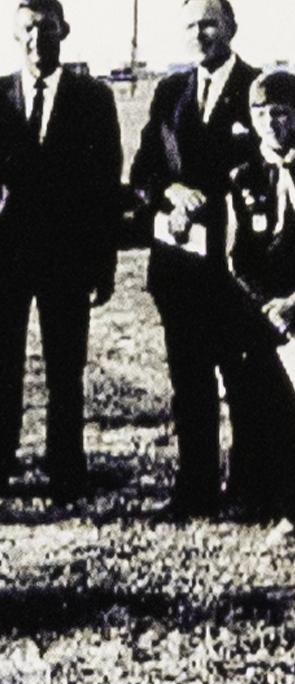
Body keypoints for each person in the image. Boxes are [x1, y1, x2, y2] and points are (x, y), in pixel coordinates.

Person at [0, 0, 123, 505]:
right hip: (5, 262)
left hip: (66, 259)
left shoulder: (94, 99)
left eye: (45, 29)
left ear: (63, 32)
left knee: (64, 374)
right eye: (27, 30)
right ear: (15, 36)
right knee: (0, 371)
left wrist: (103, 264)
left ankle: (67, 477)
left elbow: (104, 189)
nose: (36, 40)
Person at [131, 0, 263, 518]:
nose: (199, 33)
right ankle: (195, 490)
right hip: (178, 268)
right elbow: (143, 171)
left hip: (237, 270)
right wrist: (172, 191)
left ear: (231, 26)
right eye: (190, 25)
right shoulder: (169, 93)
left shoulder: (258, 89)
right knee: (189, 384)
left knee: (244, 381)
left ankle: (251, 488)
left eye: (209, 22)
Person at [225, 70, 295, 541]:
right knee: (275, 409)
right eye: (261, 114)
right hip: (270, 316)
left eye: (282, 113)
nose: (272, 123)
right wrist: (271, 307)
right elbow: (237, 258)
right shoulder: (244, 178)